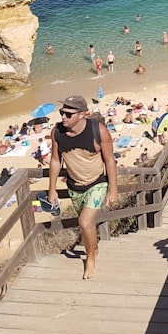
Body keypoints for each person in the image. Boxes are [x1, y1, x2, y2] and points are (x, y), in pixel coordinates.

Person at [48, 95, 119, 279]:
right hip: (74, 186)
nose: (63, 117)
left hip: (97, 183)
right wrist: (52, 189)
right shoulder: (57, 133)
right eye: (62, 112)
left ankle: (90, 259)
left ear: (82, 115)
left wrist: (113, 188)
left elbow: (110, 160)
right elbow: (56, 161)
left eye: (68, 114)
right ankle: (93, 248)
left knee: (84, 222)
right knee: (87, 225)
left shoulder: (99, 131)